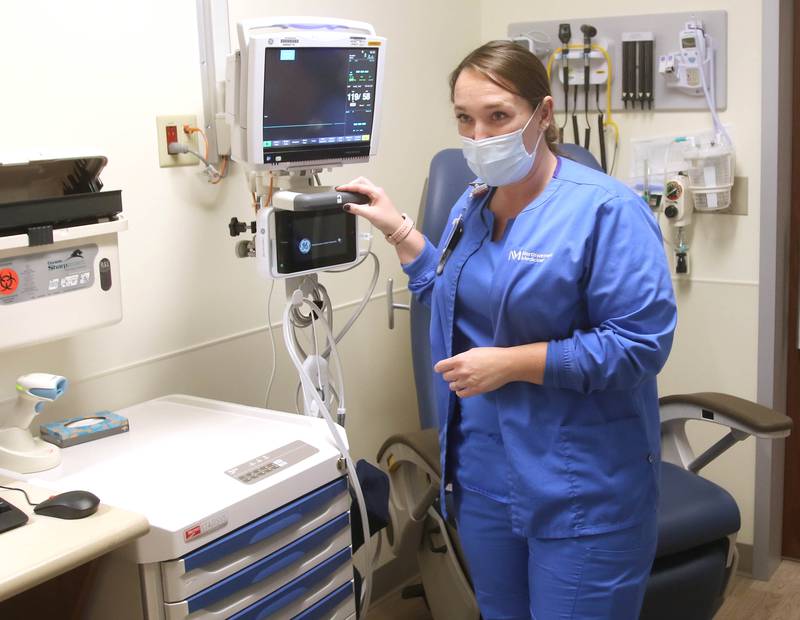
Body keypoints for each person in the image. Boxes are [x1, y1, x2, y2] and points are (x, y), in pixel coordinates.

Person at [338, 40, 677, 620]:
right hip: (484, 482)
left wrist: (512, 363)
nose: (479, 135)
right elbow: (451, 294)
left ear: (543, 115)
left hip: (581, 491)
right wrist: (398, 230)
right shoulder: (473, 204)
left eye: (498, 116)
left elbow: (639, 344)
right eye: (464, 120)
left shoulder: (607, 210)